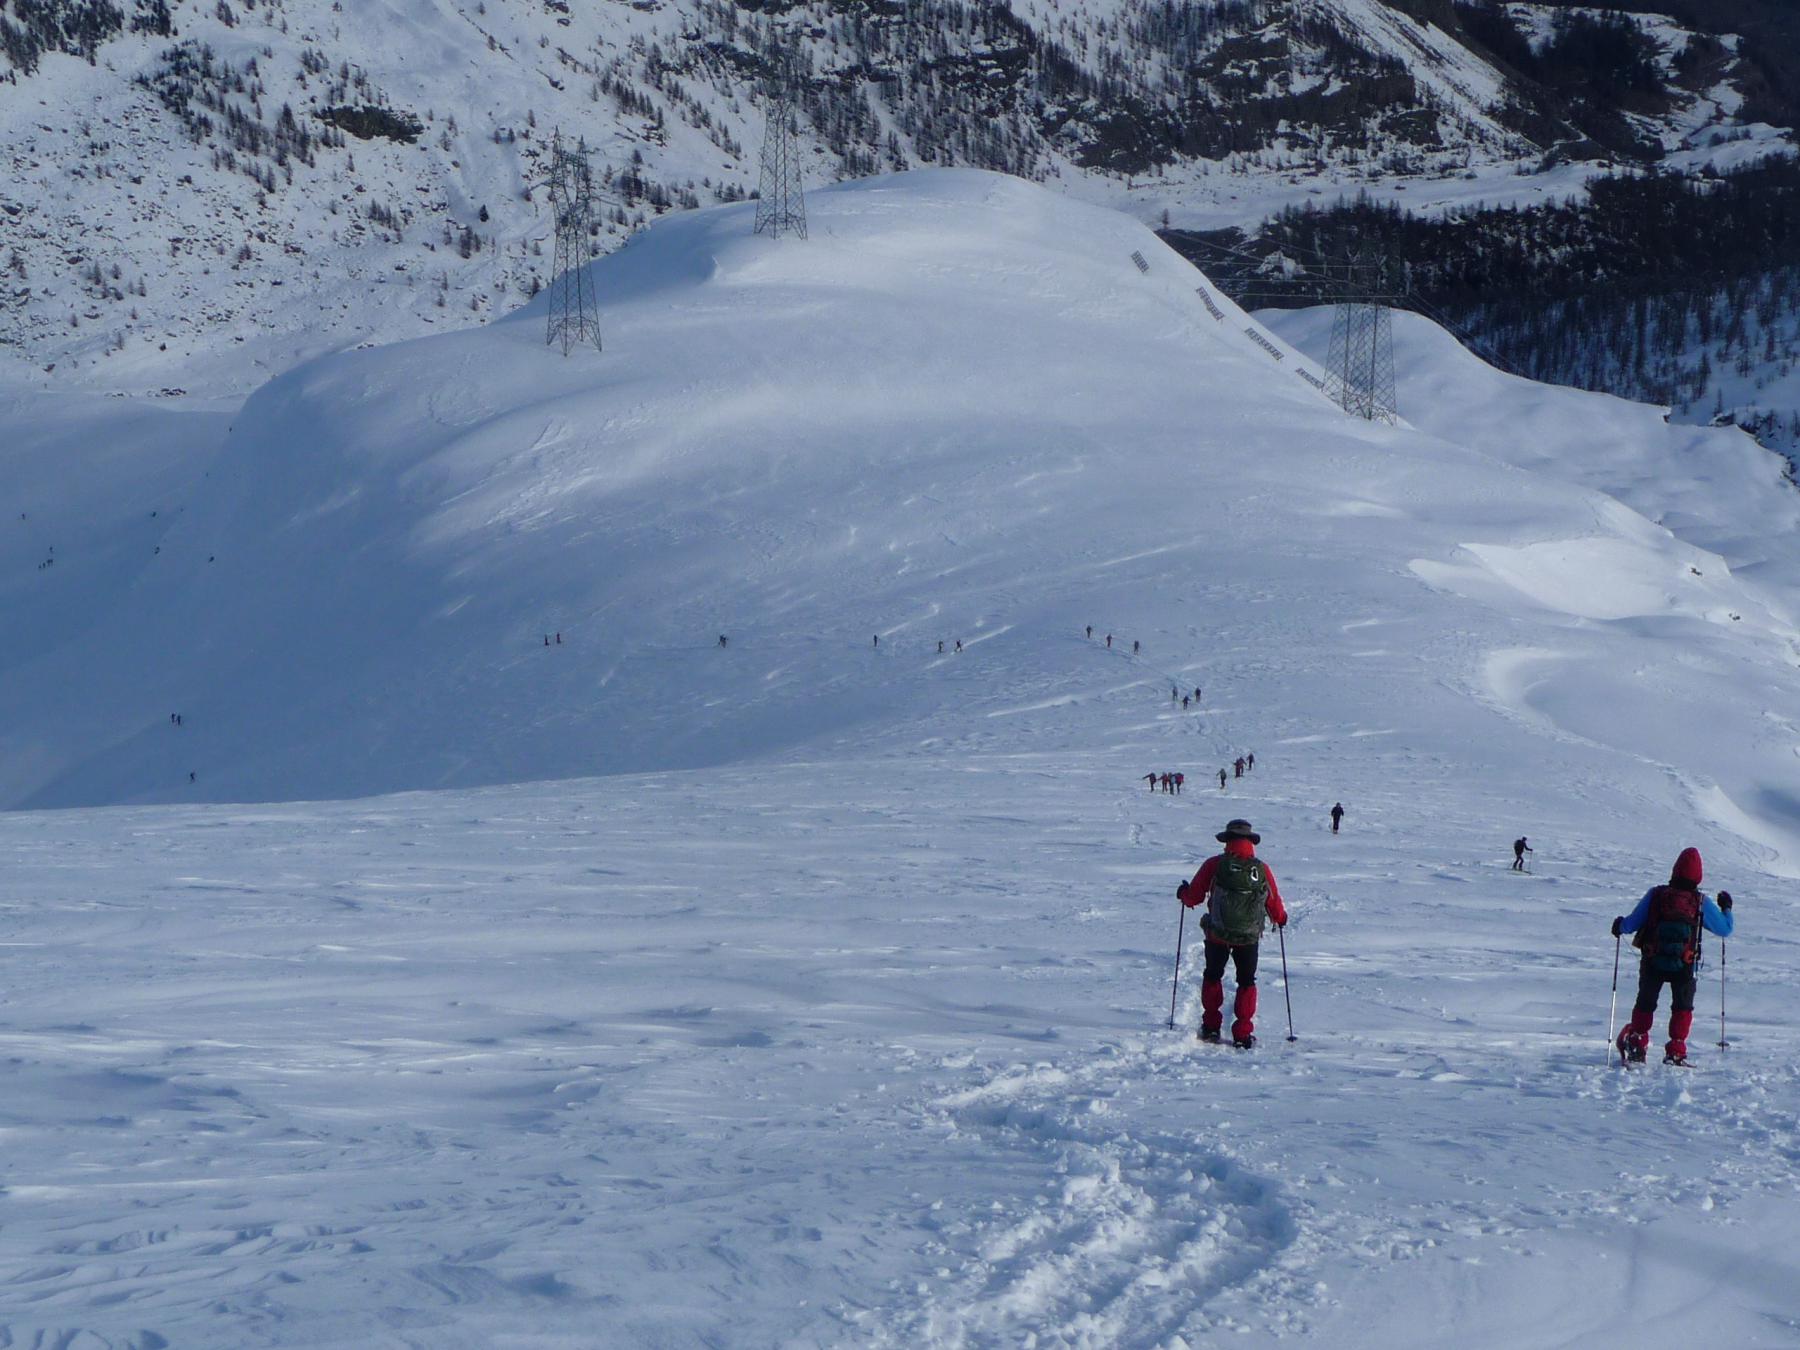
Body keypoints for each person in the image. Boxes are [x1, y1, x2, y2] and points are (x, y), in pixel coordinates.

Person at [1611, 849, 1733, 1065]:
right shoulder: (1699, 901)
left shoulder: (1657, 895)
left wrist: (1619, 925)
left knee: (1646, 1002)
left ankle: (1637, 1043)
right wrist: (1727, 908)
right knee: (1682, 1007)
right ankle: (1676, 1050)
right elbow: (1724, 929)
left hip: (1652, 960)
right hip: (1686, 964)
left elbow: (1630, 924)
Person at [1178, 819, 1288, 1047]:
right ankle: (1242, 1034)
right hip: (1248, 936)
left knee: (1213, 975)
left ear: (1227, 841)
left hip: (1217, 933)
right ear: (1250, 842)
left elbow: (1195, 896)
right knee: (1246, 981)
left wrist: (1183, 895)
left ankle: (1210, 1027)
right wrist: (1281, 918)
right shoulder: (1261, 869)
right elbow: (1273, 902)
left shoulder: (1215, 865)